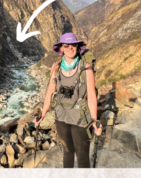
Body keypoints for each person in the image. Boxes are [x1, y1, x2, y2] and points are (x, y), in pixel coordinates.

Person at [38, 33, 102, 167]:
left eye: (73, 45)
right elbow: (50, 91)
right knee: (67, 152)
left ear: (77, 47)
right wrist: (43, 114)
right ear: (61, 48)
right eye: (66, 45)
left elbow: (91, 96)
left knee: (82, 156)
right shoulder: (56, 67)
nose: (70, 48)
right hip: (61, 117)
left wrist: (94, 120)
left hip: (81, 118)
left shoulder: (86, 68)